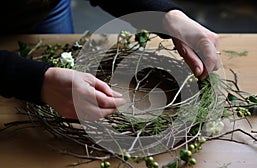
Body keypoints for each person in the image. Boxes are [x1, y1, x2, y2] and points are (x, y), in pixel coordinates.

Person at [0, 0, 220, 120]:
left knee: (63, 61)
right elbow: (33, 80)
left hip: (42, 8)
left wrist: (166, 16)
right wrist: (33, 80)